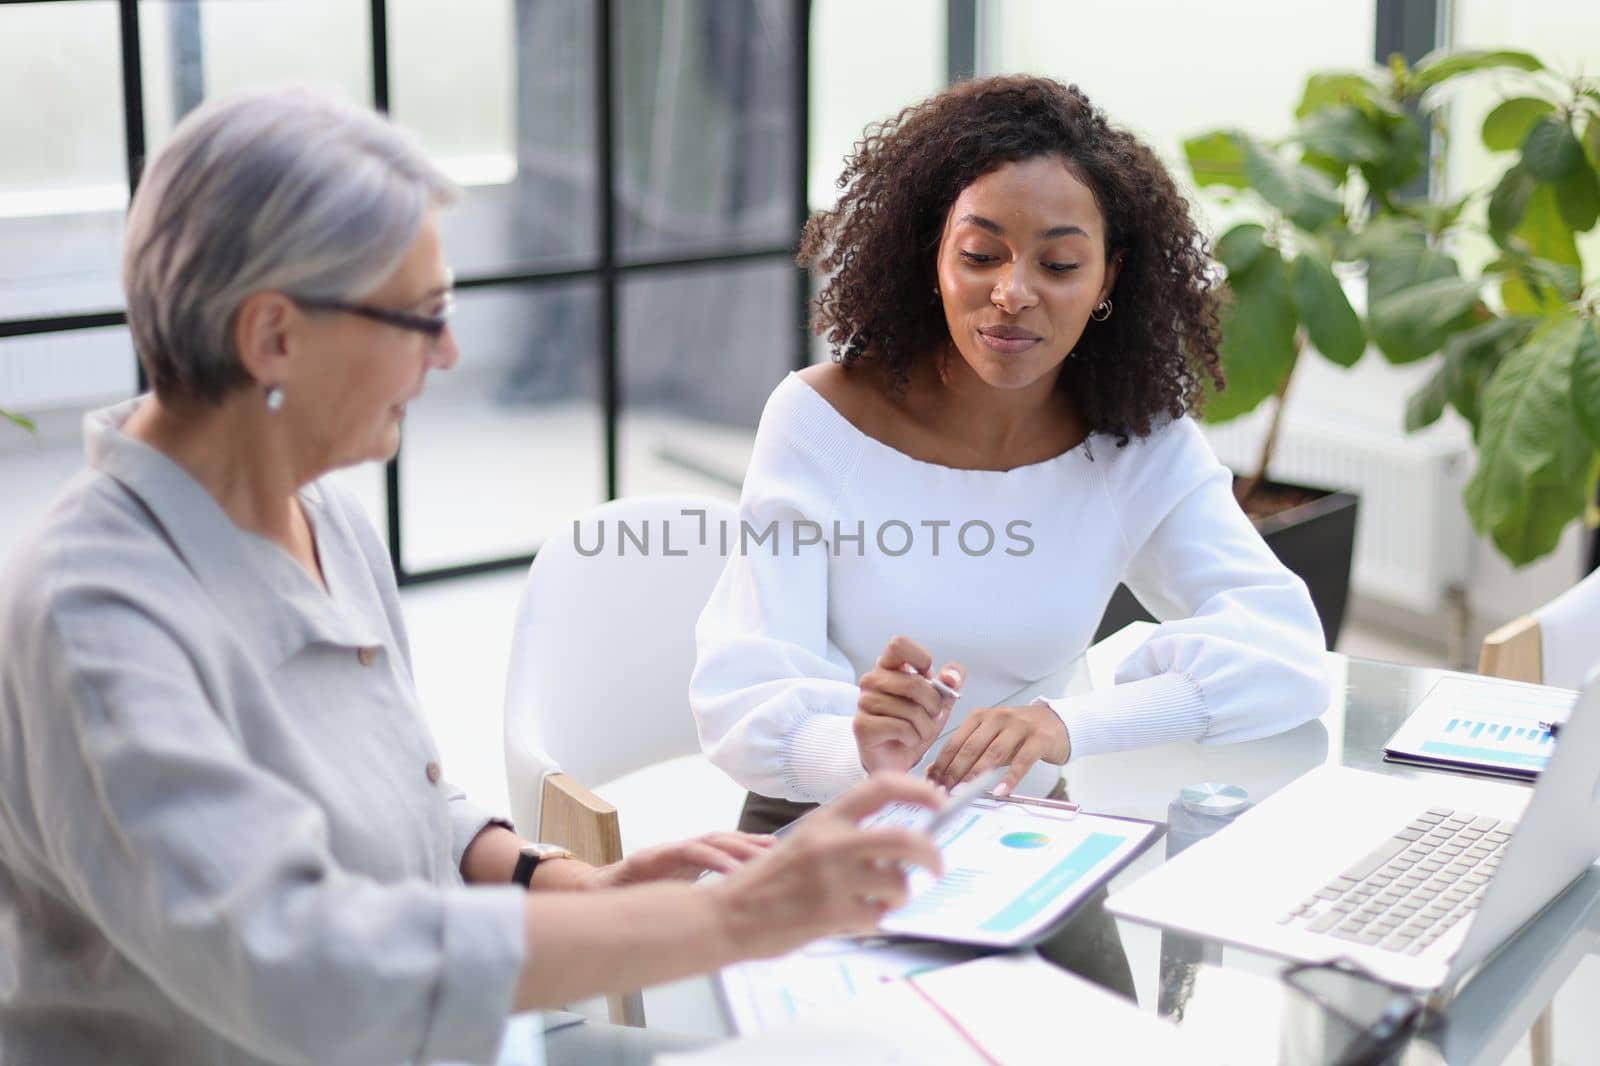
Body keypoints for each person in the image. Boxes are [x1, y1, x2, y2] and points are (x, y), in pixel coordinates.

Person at [0, 87, 946, 1066]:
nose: (448, 353)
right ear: (273, 335)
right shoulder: (94, 615)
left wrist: (563, 882)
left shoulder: (318, 512)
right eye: (421, 315)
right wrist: (735, 921)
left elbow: (392, 797)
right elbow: (300, 969)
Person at [690, 74, 1331, 953]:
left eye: (1059, 265)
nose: (1013, 292)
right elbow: (745, 693)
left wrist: (1064, 724)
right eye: (981, 255)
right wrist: (865, 747)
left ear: (1109, 278)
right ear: (933, 258)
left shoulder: (1134, 444)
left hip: (1020, 831)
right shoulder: (820, 422)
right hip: (825, 822)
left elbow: (1287, 652)